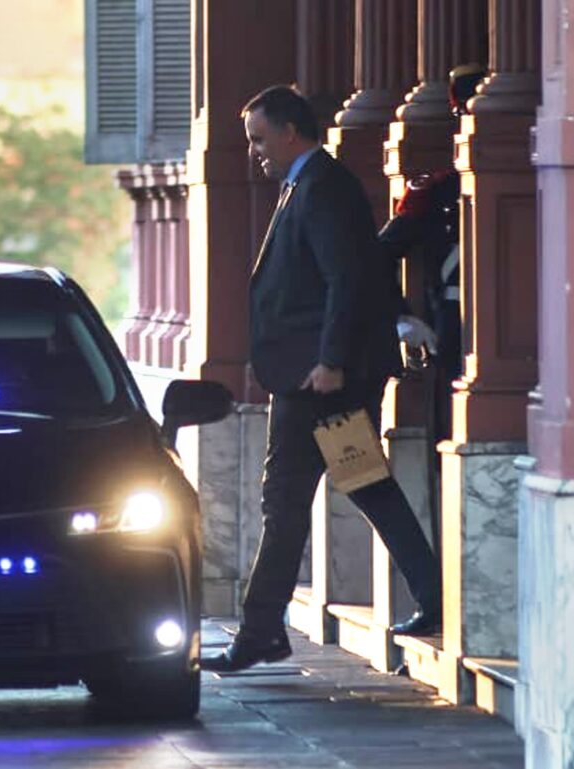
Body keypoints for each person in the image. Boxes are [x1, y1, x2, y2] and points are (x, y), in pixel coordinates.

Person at [201, 85, 441, 674]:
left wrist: (331, 361)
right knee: (363, 484)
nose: (254, 151)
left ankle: (260, 632)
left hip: (319, 381)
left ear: (290, 132)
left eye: (259, 138)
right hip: (317, 376)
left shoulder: (323, 187)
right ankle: (430, 595)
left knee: (286, 499)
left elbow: (345, 279)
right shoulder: (307, 184)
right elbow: (356, 269)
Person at [381, 63, 486, 440]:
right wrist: (402, 317)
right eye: (466, 114)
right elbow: (380, 254)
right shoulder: (434, 192)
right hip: (454, 321)